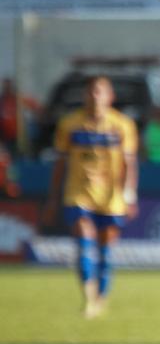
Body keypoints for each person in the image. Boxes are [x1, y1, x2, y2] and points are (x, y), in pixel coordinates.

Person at [43, 76, 138, 318]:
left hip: (111, 195)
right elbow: (60, 163)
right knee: (84, 238)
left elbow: (129, 163)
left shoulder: (122, 125)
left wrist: (129, 195)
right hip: (78, 192)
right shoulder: (70, 125)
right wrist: (54, 197)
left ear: (110, 97)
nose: (94, 96)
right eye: (91, 92)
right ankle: (88, 297)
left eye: (100, 92)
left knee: (106, 249)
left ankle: (100, 298)